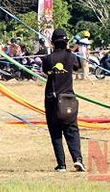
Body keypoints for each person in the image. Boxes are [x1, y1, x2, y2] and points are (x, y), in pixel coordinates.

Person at [42, 29, 85, 172]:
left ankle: (61, 164)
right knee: (72, 129)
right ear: (66, 42)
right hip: (68, 99)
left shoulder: (48, 59)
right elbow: (78, 67)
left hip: (52, 99)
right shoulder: (71, 57)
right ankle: (78, 159)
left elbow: (46, 71)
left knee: (55, 132)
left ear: (53, 42)